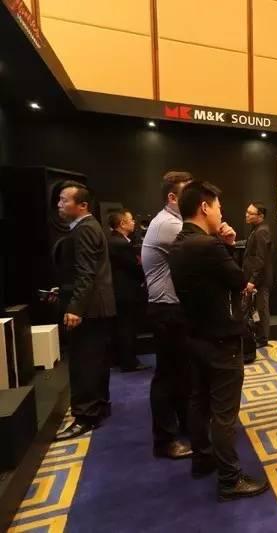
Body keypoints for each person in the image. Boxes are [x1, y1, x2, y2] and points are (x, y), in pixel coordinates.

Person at [169, 180, 269, 501]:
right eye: (218, 207)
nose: (221, 213)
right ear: (204, 207)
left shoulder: (178, 243)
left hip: (194, 335)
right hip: (222, 339)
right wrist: (227, 244)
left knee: (198, 401)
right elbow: (239, 280)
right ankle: (229, 479)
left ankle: (203, 458)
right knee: (224, 414)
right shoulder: (209, 246)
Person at [54, 181, 116, 440]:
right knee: (96, 361)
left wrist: (75, 307)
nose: (59, 204)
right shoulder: (88, 227)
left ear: (82, 205)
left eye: (64, 200)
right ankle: (98, 407)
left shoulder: (85, 229)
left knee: (84, 364)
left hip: (90, 309)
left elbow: (87, 272)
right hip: (95, 306)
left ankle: (85, 416)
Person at [142, 171, 194, 460]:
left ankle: (185, 425)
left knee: (181, 373)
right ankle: (164, 440)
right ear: (172, 198)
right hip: (167, 309)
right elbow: (201, 245)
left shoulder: (173, 221)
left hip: (172, 308)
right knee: (167, 376)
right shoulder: (169, 224)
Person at [107, 209, 148, 372]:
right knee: (127, 327)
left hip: (118, 291)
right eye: (131, 220)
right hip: (126, 292)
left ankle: (119, 359)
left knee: (121, 326)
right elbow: (134, 267)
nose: (134, 222)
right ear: (122, 223)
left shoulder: (112, 241)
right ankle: (129, 362)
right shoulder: (121, 244)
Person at [242, 202, 273, 347]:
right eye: (247, 212)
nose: (247, 215)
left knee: (261, 309)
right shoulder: (256, 230)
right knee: (251, 308)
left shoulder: (262, 231)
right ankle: (255, 336)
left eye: (250, 213)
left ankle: (262, 339)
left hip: (259, 280)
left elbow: (261, 259)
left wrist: (252, 280)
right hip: (254, 278)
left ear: (260, 216)